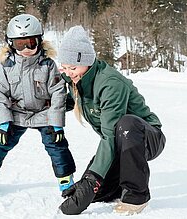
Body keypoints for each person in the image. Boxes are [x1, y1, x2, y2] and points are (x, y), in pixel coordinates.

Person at [57, 25, 166, 215]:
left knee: (126, 125)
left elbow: (109, 135)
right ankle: (116, 188)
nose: (69, 72)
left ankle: (136, 196)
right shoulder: (79, 81)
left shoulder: (110, 84)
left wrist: (92, 179)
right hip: (119, 141)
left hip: (145, 136)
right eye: (65, 68)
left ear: (87, 61)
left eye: (72, 67)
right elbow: (65, 101)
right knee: (99, 194)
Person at [0, 14, 76, 204]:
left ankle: (66, 184)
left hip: (44, 113)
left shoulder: (48, 65)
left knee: (57, 145)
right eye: (20, 44)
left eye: (31, 43)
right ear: (10, 44)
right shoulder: (7, 66)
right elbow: (0, 95)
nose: (26, 49)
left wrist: (57, 125)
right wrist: (4, 123)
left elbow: (58, 93)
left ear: (40, 41)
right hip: (17, 113)